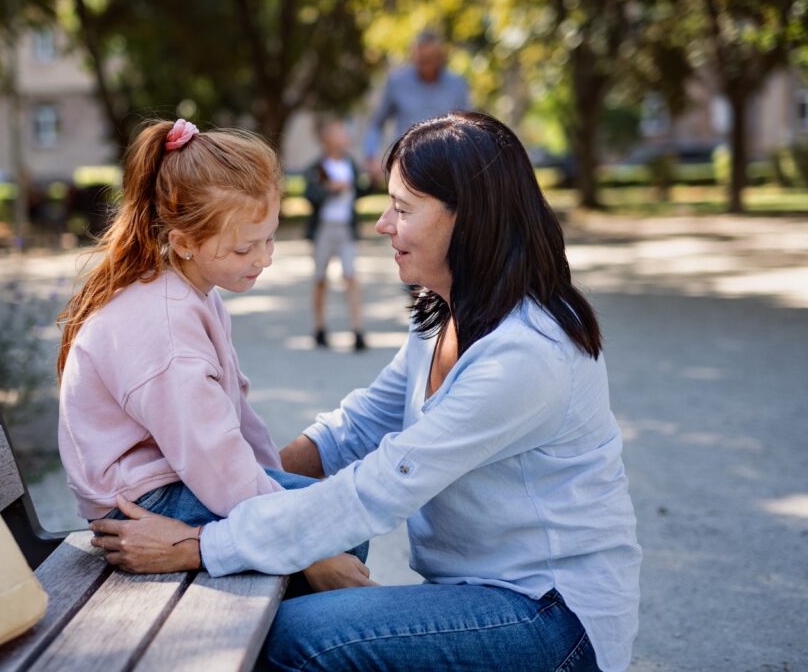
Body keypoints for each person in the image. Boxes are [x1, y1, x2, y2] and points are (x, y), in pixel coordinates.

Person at [89, 111, 642, 672]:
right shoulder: (450, 312)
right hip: (484, 594)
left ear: (468, 220)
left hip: (550, 618)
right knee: (289, 575)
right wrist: (247, 489)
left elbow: (380, 488)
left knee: (292, 636)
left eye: (402, 209)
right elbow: (358, 427)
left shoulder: (526, 355)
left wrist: (196, 546)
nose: (381, 224)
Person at [57, 118, 368, 592]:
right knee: (338, 534)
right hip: (145, 505)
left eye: (270, 237)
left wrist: (277, 483)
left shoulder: (193, 291)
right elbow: (214, 458)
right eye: (245, 247)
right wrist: (303, 545)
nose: (264, 259)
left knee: (336, 523)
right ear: (183, 243)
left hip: (174, 480)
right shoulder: (165, 325)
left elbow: (237, 419)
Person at [363, 30, 471, 185]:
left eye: (428, 60)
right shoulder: (396, 82)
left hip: (446, 168)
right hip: (406, 166)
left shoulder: (457, 84)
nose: (423, 65)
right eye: (419, 60)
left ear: (440, 58)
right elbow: (376, 123)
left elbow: (467, 126)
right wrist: (371, 156)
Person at [303, 119, 370, 351]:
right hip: (324, 229)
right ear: (327, 139)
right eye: (338, 132)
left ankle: (357, 330)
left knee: (351, 276)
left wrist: (371, 180)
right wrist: (330, 189)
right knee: (321, 279)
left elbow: (359, 191)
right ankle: (320, 328)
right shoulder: (317, 167)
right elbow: (310, 195)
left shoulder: (350, 163)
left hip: (346, 228)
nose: (344, 135)